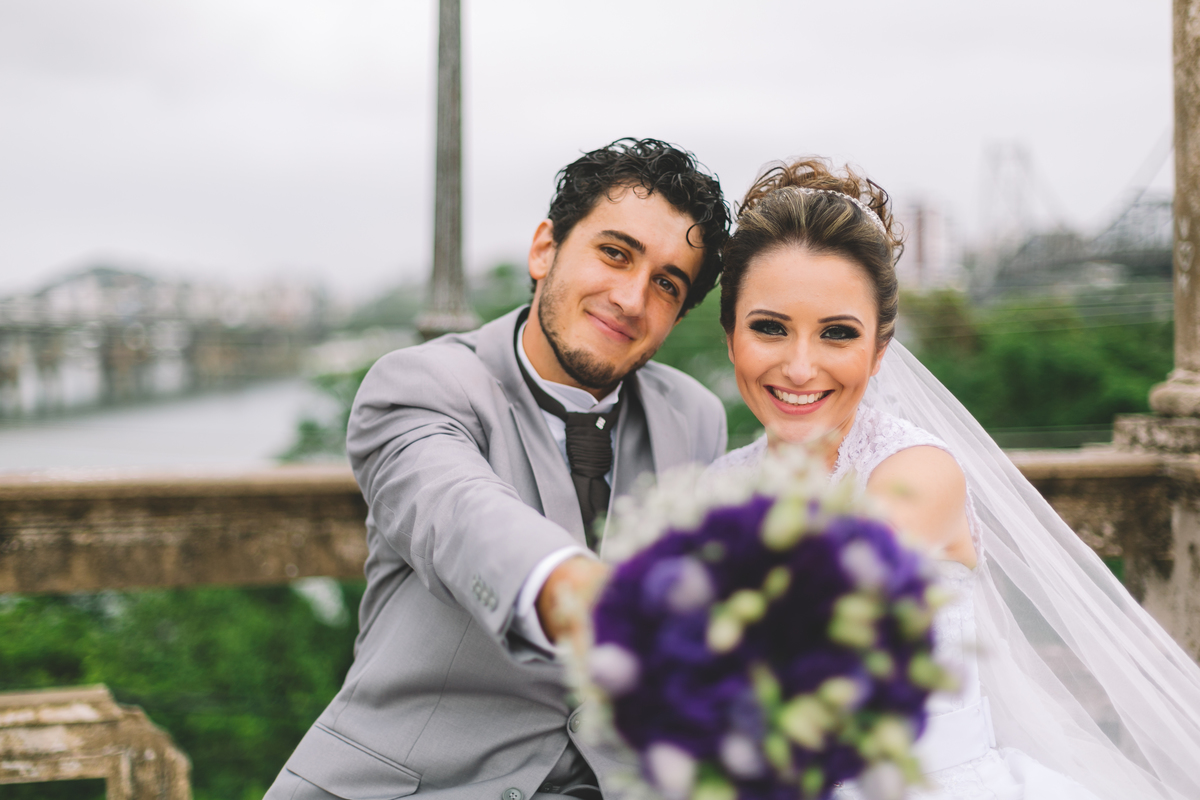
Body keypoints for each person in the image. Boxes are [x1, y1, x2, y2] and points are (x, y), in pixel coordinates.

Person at [708, 158, 1200, 799]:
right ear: (730, 339)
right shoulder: (721, 483)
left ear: (879, 351)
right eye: (770, 328)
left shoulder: (916, 471)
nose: (800, 367)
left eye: (837, 334)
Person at [263, 138, 730, 800]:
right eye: (615, 253)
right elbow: (460, 512)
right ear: (545, 250)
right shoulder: (420, 383)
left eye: (665, 284)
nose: (630, 299)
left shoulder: (695, 418)